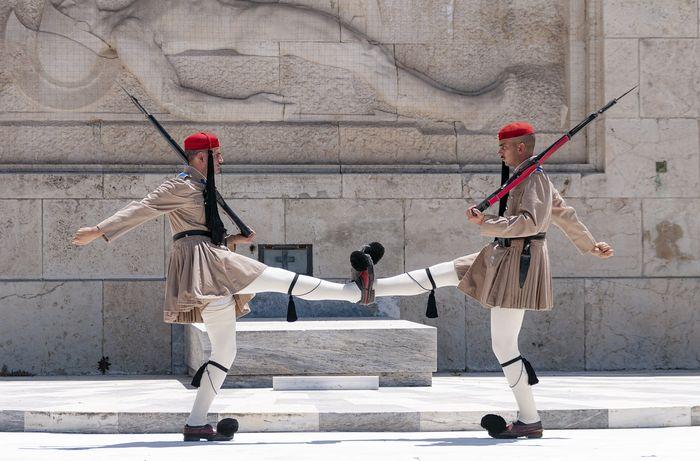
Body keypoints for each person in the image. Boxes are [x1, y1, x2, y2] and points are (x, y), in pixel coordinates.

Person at [72, 131, 379, 441]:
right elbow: (143, 208)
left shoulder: (201, 186)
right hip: (206, 264)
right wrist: (99, 230)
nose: (221, 159)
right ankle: (353, 293)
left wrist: (232, 240)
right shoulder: (180, 184)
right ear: (201, 157)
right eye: (216, 155)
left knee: (225, 351)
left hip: (209, 260)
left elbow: (200, 229)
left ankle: (196, 422)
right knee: (277, 278)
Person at [352, 122, 614, 439]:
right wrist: (590, 244)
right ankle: (373, 286)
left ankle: (529, 419)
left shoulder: (535, 179)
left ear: (520, 146)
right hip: (500, 255)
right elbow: (564, 214)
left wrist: (487, 221)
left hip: (518, 263)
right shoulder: (528, 175)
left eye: (504, 145)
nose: (499, 150)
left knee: (503, 345)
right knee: (444, 272)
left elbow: (530, 223)